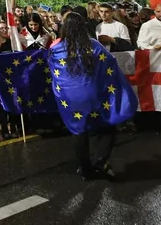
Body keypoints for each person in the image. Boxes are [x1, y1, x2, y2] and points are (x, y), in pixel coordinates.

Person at [49, 12, 137, 180]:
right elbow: (110, 63)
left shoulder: (55, 49)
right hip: (94, 95)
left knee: (79, 131)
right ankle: (99, 162)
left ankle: (85, 169)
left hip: (71, 99)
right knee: (107, 126)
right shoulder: (94, 45)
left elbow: (54, 73)